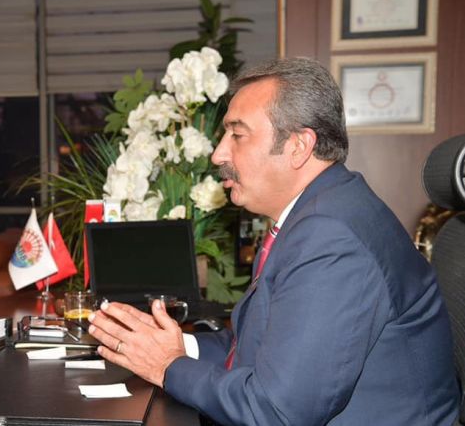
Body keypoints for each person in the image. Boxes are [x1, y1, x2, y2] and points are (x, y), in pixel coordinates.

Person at [87, 57, 460, 425]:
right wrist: (178, 346)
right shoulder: (322, 211)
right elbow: (260, 346)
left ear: (298, 146)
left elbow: (276, 413)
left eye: (237, 135)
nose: (218, 154)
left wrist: (168, 367)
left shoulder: (332, 238)